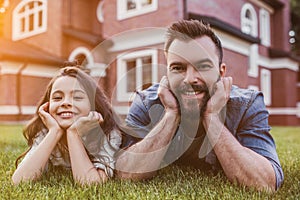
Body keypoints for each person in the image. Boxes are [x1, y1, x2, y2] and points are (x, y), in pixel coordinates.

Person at [115, 19, 284, 192]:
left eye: (203, 66)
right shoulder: (145, 101)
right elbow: (124, 172)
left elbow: (265, 184)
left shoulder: (247, 104)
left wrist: (211, 117)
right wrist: (171, 114)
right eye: (178, 68)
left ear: (221, 72)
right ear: (167, 73)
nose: (189, 79)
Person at [12, 62, 122, 185]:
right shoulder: (46, 130)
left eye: (77, 97)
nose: (65, 103)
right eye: (58, 98)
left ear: (93, 105)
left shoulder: (109, 133)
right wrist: (54, 132)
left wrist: (73, 133)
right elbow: (19, 181)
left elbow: (91, 185)